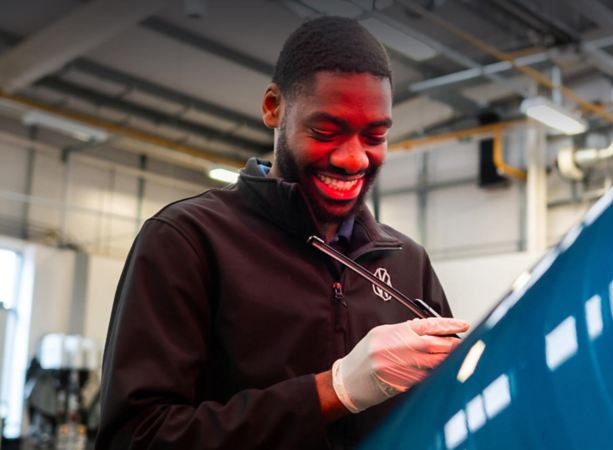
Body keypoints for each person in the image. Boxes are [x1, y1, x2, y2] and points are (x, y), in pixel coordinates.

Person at [96, 16, 468, 449]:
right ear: (274, 107)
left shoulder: (407, 259)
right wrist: (333, 391)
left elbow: (445, 412)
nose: (354, 159)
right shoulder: (188, 240)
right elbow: (136, 438)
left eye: (375, 135)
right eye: (326, 131)